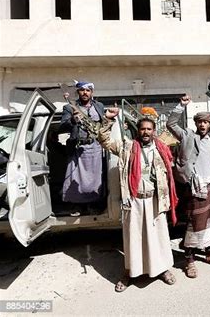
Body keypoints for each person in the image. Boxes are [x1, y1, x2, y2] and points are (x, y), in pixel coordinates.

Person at [99, 108, 178, 292]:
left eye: (149, 129)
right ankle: (129, 273)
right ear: (138, 130)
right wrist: (107, 121)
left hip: (154, 201)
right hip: (133, 200)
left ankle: (162, 269)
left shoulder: (161, 149)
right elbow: (104, 140)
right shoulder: (127, 147)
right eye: (142, 129)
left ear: (153, 131)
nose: (145, 132)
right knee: (133, 238)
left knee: (158, 238)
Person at [167, 95, 210, 278]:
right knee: (194, 223)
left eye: (205, 122)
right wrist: (181, 106)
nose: (202, 125)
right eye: (199, 122)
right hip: (194, 187)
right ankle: (189, 261)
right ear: (196, 123)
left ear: (209, 124)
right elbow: (170, 124)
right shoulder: (187, 135)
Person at [59, 81, 105, 216]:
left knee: (95, 178)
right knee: (75, 178)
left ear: (92, 92)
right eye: (82, 90)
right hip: (78, 148)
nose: (85, 93)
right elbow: (62, 127)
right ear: (78, 92)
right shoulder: (69, 107)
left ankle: (93, 204)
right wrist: (72, 121)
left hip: (95, 147)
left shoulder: (99, 106)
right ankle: (77, 206)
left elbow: (104, 124)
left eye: (88, 90)